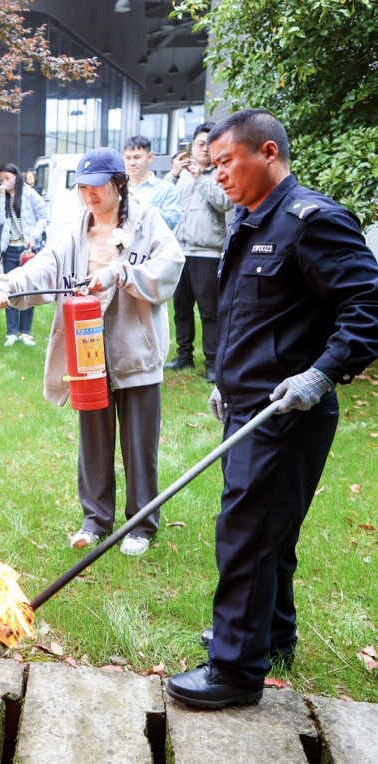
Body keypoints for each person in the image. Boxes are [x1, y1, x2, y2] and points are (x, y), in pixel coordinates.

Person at [165, 109, 378, 710]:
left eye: (226, 162)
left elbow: (368, 306)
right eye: (212, 165)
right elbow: (248, 316)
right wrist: (226, 383)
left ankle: (234, 670)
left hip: (287, 417)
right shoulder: (250, 221)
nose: (218, 175)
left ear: (267, 153)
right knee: (271, 534)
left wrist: (321, 374)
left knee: (248, 535)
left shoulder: (314, 221)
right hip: (247, 408)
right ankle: (269, 637)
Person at [0, 148, 183, 556]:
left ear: (119, 184)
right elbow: (45, 265)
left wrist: (122, 273)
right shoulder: (75, 230)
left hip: (135, 350)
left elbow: (171, 264)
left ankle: (142, 524)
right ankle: (95, 520)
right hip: (87, 353)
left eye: (97, 187)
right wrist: (8, 285)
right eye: (82, 188)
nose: (89, 195)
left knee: (139, 444)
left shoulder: (146, 221)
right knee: (92, 441)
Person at [165, 123, 234, 382]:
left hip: (207, 253)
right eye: (199, 144)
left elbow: (225, 202)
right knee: (181, 308)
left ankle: (213, 363)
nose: (203, 148)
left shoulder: (220, 173)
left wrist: (200, 178)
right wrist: (174, 174)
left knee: (209, 311)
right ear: (192, 146)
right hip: (178, 251)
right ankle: (183, 355)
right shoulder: (180, 173)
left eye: (208, 144)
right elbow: (162, 199)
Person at [0, 162, 49, 347]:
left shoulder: (30, 194)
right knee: (7, 289)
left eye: (7, 178)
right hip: (9, 250)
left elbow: (43, 218)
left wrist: (33, 237)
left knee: (27, 290)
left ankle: (25, 332)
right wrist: (1, 197)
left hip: (27, 250)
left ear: (16, 177)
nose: (4, 182)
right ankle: (11, 332)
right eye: (1, 179)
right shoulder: (3, 196)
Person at [123, 135, 181, 229]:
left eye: (137, 157)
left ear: (150, 157)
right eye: (128, 158)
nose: (132, 163)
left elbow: (171, 222)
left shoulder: (167, 189)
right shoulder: (118, 188)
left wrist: (141, 207)